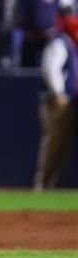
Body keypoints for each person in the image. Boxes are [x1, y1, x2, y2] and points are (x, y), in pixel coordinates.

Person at [35, 15, 78, 190]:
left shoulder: (72, 46)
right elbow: (50, 70)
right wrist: (59, 93)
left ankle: (52, 183)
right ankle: (43, 183)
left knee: (64, 146)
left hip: (70, 102)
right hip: (57, 102)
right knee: (54, 143)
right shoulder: (60, 43)